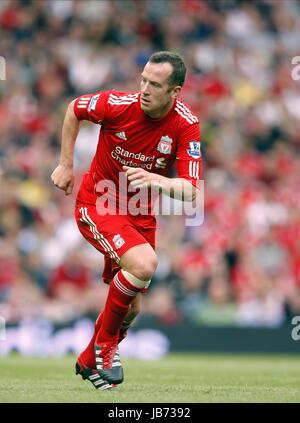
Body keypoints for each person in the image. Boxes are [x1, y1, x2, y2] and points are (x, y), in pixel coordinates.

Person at [51, 51, 202, 389]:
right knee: (146, 264)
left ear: (175, 92)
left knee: (132, 308)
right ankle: (106, 348)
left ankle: (89, 359)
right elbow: (75, 109)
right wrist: (65, 164)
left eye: (155, 84)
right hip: (98, 204)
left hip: (140, 216)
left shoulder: (185, 124)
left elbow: (192, 191)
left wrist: (158, 181)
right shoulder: (118, 105)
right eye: (143, 80)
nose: (145, 89)